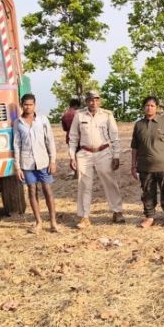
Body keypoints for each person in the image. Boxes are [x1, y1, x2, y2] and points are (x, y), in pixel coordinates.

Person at [68, 90, 124, 228]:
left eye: (96, 100)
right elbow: (73, 137)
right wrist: (72, 156)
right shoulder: (79, 115)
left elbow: (115, 137)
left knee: (110, 182)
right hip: (84, 154)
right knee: (84, 185)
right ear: (86, 102)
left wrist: (116, 155)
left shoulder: (107, 115)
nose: (94, 103)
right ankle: (84, 216)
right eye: (91, 100)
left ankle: (117, 212)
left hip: (104, 152)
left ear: (100, 101)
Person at [13, 94, 59, 233]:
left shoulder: (43, 120)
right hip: (27, 163)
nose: (28, 107)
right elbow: (16, 145)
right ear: (22, 105)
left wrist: (52, 161)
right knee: (32, 191)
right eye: (25, 104)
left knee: (47, 190)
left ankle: (53, 222)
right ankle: (38, 222)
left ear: (35, 105)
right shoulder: (18, 122)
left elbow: (49, 141)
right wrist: (18, 167)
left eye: (31, 104)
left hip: (43, 161)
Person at [131, 96, 164, 228]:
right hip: (145, 167)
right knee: (147, 193)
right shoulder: (138, 125)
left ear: (156, 107)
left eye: (152, 105)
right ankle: (149, 217)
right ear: (143, 107)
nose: (149, 108)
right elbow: (134, 147)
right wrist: (133, 166)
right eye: (147, 105)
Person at [61, 98, 82, 178]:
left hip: (70, 137)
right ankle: (81, 172)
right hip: (80, 137)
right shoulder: (79, 114)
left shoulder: (65, 114)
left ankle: (76, 173)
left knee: (74, 156)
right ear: (77, 105)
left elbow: (64, 128)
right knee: (82, 155)